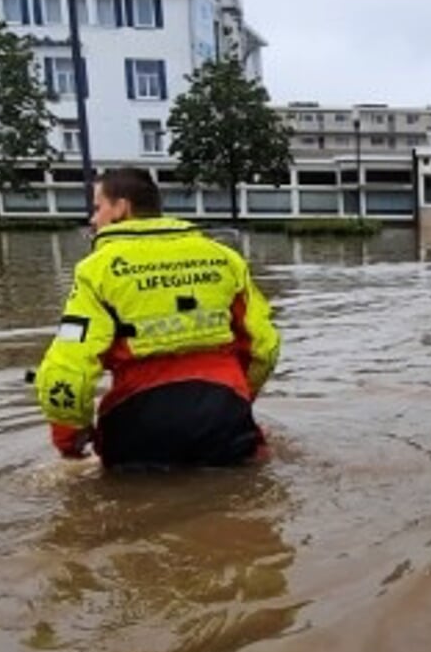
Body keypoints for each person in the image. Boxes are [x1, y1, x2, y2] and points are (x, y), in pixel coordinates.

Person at [34, 167, 280, 468]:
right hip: (222, 410)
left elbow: (67, 370)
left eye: (98, 207)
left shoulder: (94, 271)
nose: (93, 218)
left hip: (137, 420)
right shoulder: (225, 258)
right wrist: (240, 397)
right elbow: (264, 348)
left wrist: (70, 438)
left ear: (121, 207)